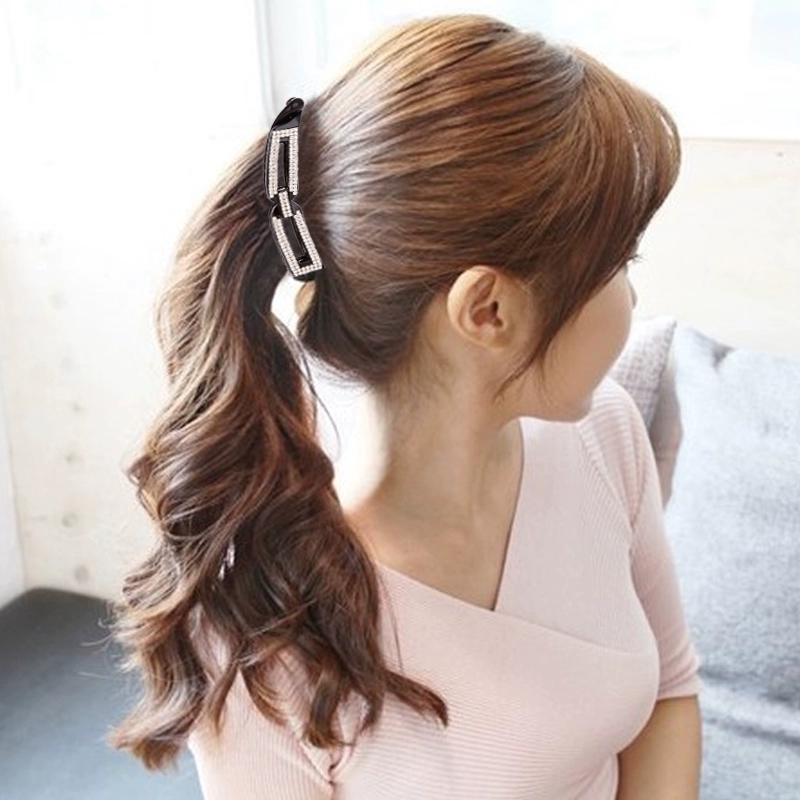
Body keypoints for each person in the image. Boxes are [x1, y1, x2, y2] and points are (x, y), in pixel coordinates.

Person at [106, 13, 703, 799]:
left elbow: (670, 693)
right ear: (488, 311)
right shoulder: (266, 629)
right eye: (619, 262)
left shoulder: (606, 432)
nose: (632, 294)